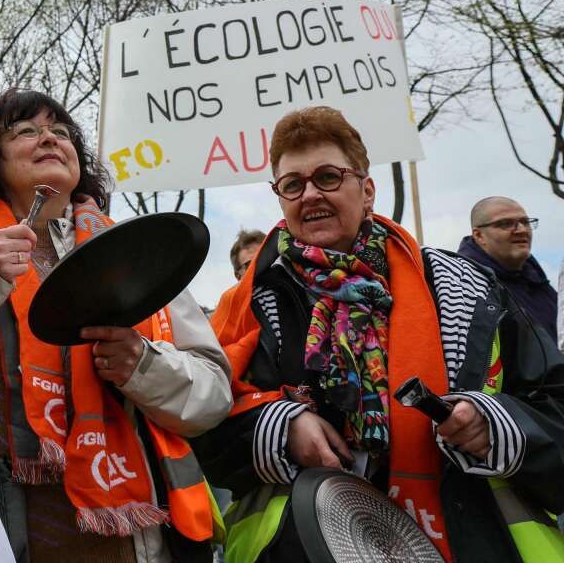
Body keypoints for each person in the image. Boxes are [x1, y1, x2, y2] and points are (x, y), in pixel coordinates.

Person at [0, 89, 231, 562]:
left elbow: (212, 397)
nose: (48, 138)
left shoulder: (134, 252)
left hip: (133, 536)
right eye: (26, 131)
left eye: (61, 132)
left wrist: (141, 365)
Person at [201, 106, 564, 562]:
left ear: (367, 191)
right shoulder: (252, 305)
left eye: (328, 177)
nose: (310, 194)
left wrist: (493, 424)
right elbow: (205, 427)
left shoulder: (467, 290)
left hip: (469, 541)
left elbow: (555, 408)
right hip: (304, 548)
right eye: (293, 184)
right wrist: (281, 429)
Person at [460, 196, 556, 343]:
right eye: (506, 224)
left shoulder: (539, 284)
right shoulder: (467, 292)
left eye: (525, 222)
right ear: (479, 236)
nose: (522, 230)